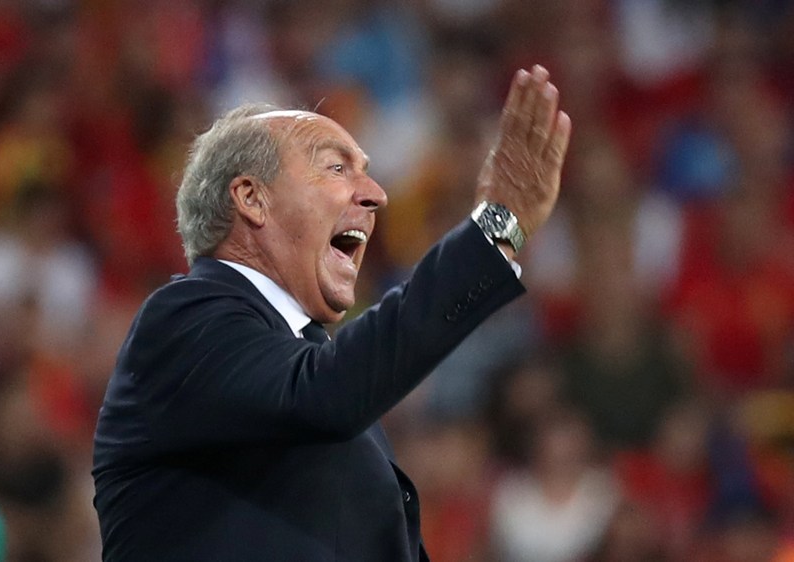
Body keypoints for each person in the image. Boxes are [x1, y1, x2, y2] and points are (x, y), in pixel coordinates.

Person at [92, 65, 571, 561]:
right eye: (337, 168)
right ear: (252, 198)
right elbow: (325, 394)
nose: (376, 194)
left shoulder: (311, 365)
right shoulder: (183, 320)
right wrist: (495, 230)